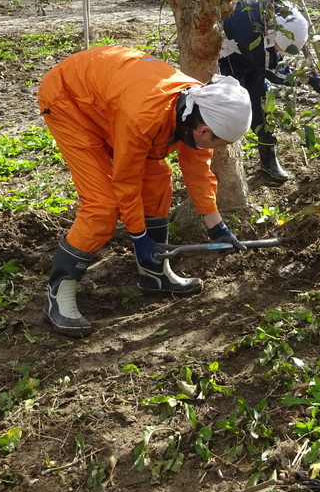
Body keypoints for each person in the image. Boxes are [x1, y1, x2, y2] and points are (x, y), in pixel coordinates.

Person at [38, 45, 253, 337]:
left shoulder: (199, 107)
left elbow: (198, 171)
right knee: (103, 205)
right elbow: (125, 181)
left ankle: (154, 274)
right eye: (219, 144)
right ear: (203, 131)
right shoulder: (145, 115)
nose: (220, 150)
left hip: (112, 100)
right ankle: (58, 292)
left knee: (158, 183)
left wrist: (216, 226)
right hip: (70, 101)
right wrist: (139, 238)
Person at [219, 0, 320, 181]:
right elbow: (272, 72)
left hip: (251, 56)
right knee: (228, 108)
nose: (279, 52)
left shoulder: (279, 9)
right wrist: (308, 79)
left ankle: (268, 160)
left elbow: (271, 60)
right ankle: (223, 165)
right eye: (279, 48)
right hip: (227, 60)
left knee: (264, 104)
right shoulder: (250, 29)